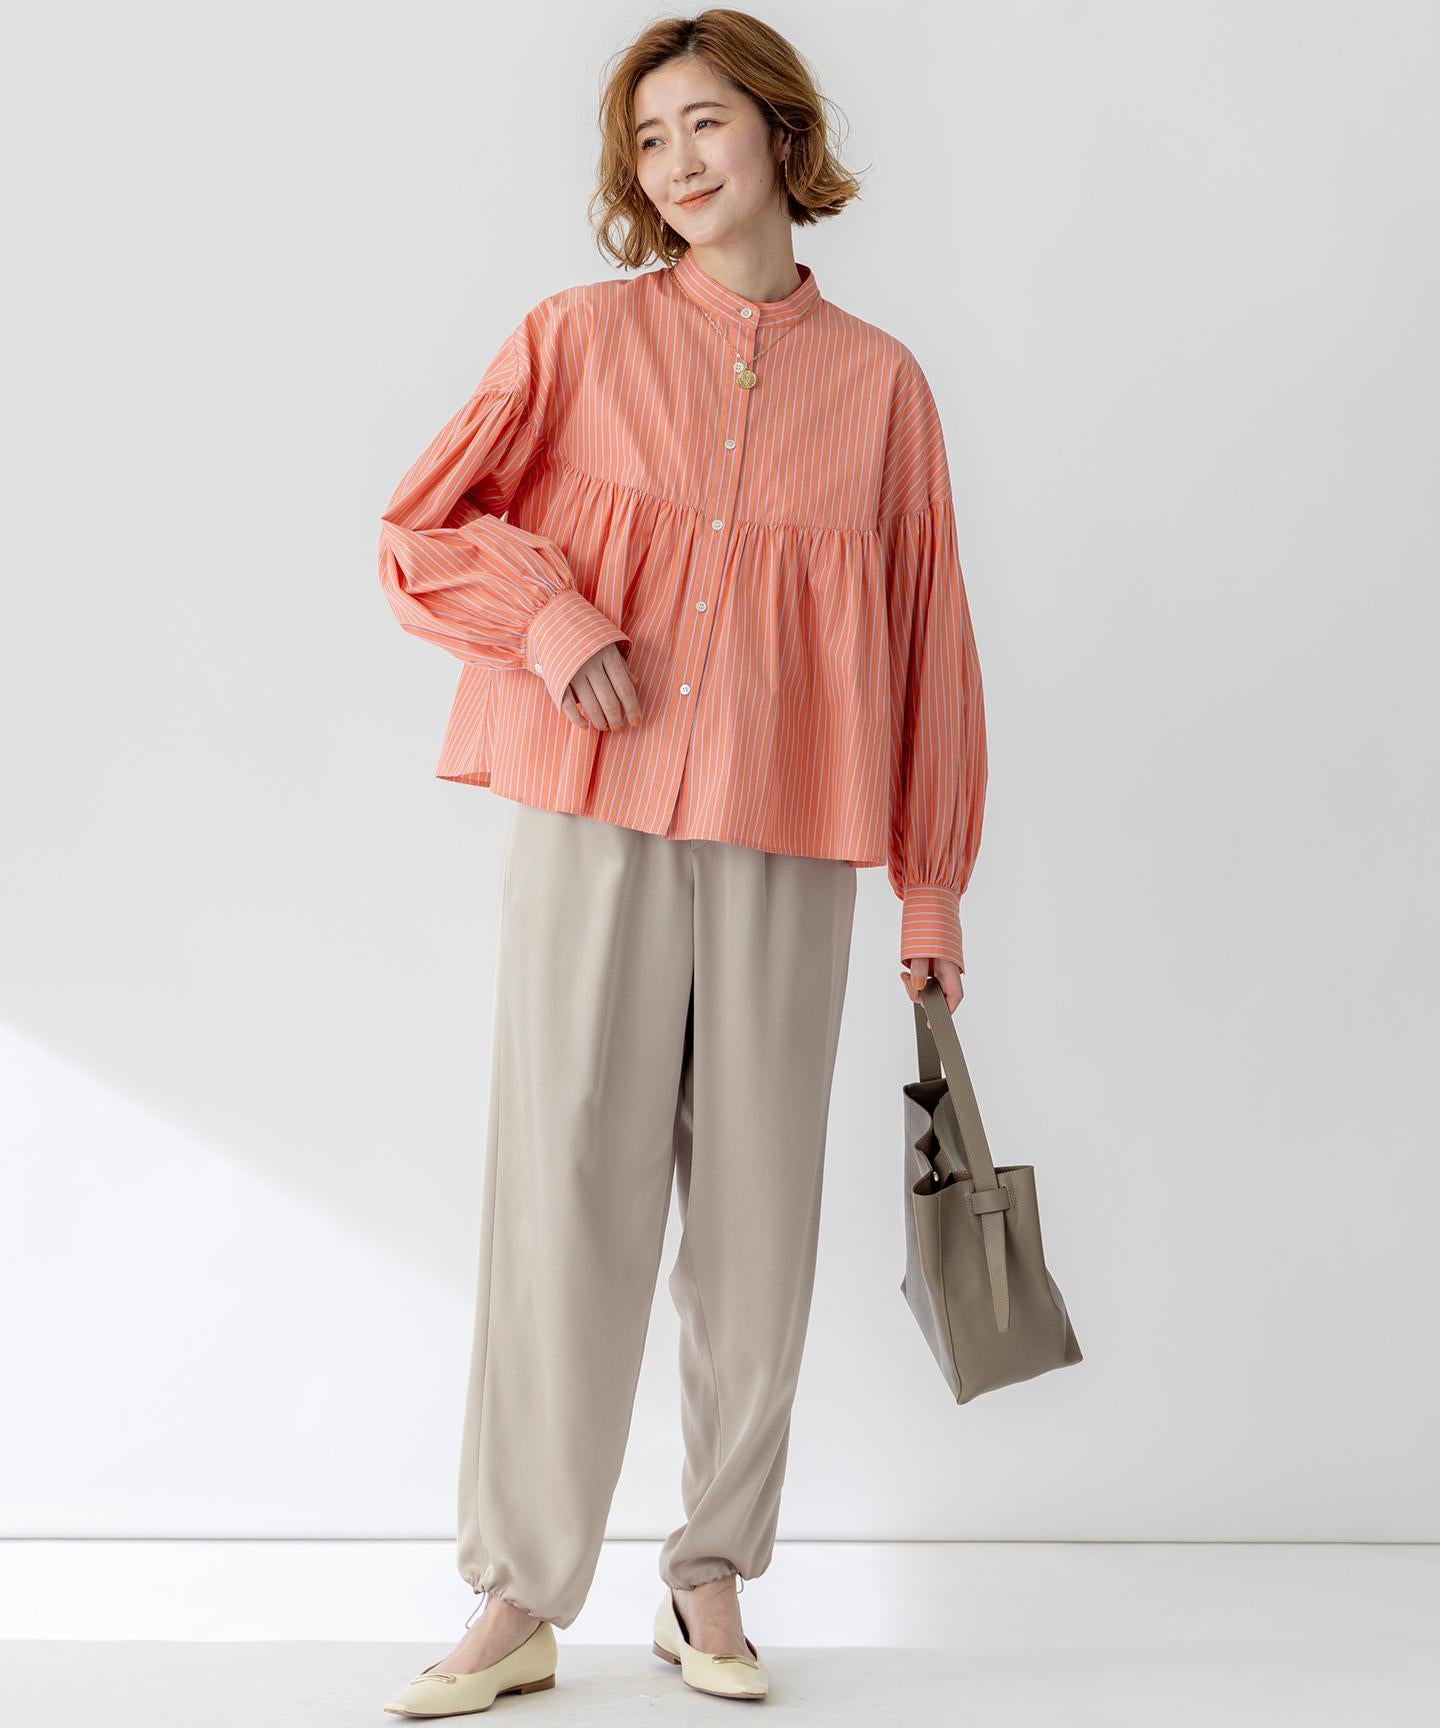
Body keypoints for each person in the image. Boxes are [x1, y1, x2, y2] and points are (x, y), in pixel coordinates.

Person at [377, 9, 986, 1714]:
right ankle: (517, 1596)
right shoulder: (576, 340)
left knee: (755, 1224)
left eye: (705, 123)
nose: (676, 163)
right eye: (648, 141)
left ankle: (708, 1576)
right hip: (596, 822)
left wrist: (929, 882)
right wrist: (551, 617)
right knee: (560, 1197)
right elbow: (420, 530)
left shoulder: (882, 388)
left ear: (782, 133)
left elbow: (927, 641)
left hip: (791, 835)